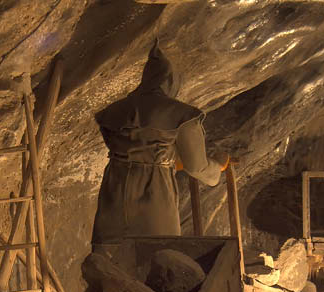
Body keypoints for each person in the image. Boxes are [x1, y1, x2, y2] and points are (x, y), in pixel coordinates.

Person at [91, 41, 227, 246]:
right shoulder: (183, 115)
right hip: (153, 190)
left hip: (116, 184)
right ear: (171, 82)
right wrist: (218, 168)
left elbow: (135, 147)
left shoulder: (115, 109)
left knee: (111, 252)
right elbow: (197, 166)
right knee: (155, 252)